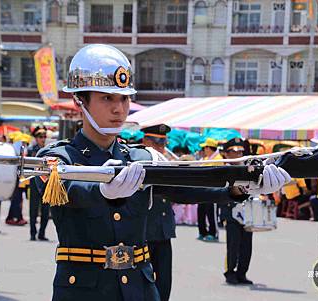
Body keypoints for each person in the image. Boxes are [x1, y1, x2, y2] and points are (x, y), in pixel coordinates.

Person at [33, 44, 290, 301]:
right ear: (80, 100)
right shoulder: (58, 157)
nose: (119, 109)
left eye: (124, 98)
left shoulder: (142, 157)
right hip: (84, 291)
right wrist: (101, 189)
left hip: (140, 288)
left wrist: (241, 187)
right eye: (107, 98)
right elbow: (64, 189)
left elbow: (185, 187)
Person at [141, 123, 175, 301]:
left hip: (164, 231)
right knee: (142, 285)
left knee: (164, 284)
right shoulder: (136, 161)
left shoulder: (165, 161)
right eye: (157, 143)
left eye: (163, 143)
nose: (161, 147)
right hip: (144, 232)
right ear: (145, 141)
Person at [221, 137, 254, 285]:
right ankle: (230, 272)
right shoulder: (222, 168)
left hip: (247, 210)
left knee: (247, 244)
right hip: (231, 210)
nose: (238, 154)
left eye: (241, 151)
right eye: (234, 151)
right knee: (233, 244)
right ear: (226, 154)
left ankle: (242, 272)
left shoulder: (247, 168)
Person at [197, 138, 223, 242]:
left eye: (205, 147)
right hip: (202, 190)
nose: (204, 149)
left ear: (209, 148)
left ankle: (213, 233)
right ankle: (202, 232)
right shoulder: (206, 158)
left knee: (211, 212)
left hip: (212, 191)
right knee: (201, 212)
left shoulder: (218, 159)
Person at [28, 126, 51, 241]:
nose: (42, 139)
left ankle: (42, 233)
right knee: (33, 209)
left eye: (44, 136)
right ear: (36, 138)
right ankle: (33, 233)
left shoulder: (48, 150)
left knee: (46, 210)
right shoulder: (31, 150)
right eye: (40, 137)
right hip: (34, 182)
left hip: (46, 182)